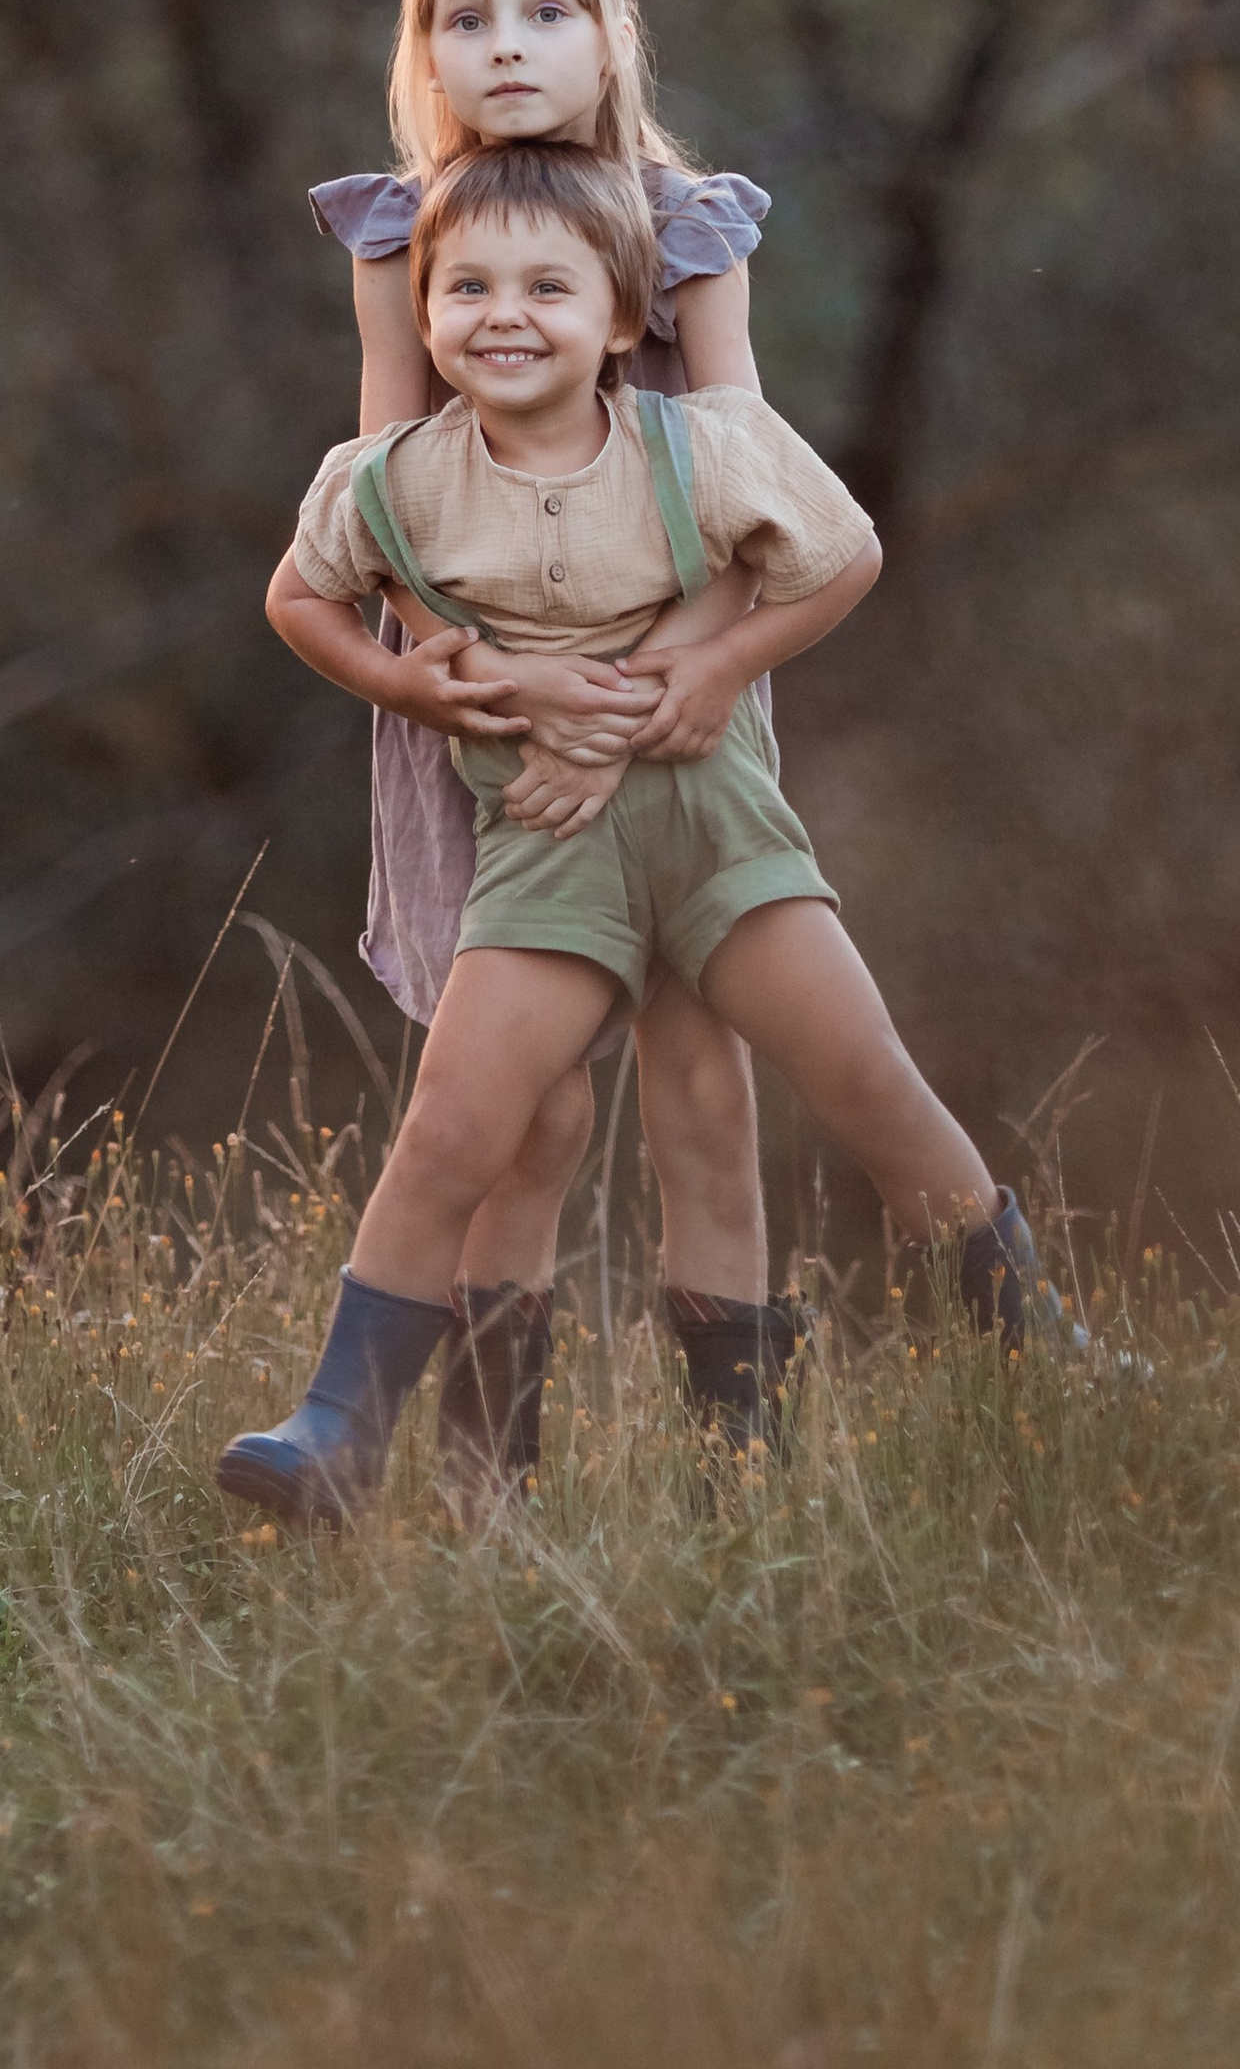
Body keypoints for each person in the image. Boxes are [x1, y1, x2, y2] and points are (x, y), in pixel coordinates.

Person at [217, 141, 1058, 1529]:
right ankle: (336, 1430)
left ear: (621, 320)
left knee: (871, 1085)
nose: (503, 313)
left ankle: (1030, 1348)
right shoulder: (397, 480)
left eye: (548, 287)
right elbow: (298, 599)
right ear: (425, 315)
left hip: (723, 826)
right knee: (451, 1130)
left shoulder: (697, 448)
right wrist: (399, 677)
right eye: (467, 286)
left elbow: (844, 557)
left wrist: (723, 669)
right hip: (551, 848)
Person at [307, 0, 791, 1482]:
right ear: (421, 53)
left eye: (547, 8)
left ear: (609, 35)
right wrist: (474, 686)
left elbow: (752, 500)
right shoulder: (403, 233)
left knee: (700, 1084)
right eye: (464, 18)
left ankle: (742, 1479)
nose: (505, 44)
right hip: (477, 700)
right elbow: (382, 501)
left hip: (683, 684)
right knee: (523, 1111)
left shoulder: (689, 231)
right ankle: (484, 1483)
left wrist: (636, 705)